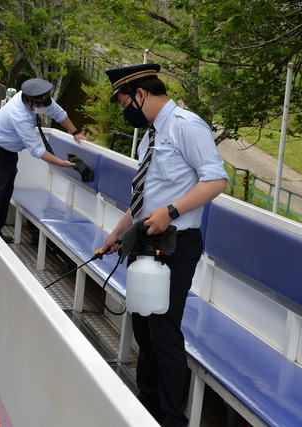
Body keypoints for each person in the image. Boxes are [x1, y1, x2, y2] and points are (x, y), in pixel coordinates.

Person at [100, 64, 228, 427]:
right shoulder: (150, 135)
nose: (125, 110)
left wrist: (172, 212)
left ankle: (172, 419)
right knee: (142, 323)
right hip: (144, 241)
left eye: (125, 101)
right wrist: (117, 232)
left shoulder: (187, 126)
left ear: (140, 94)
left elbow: (216, 180)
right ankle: (147, 406)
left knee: (164, 330)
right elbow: (144, 198)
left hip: (176, 244)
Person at [0, 77, 87, 243]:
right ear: (27, 101)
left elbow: (59, 114)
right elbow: (36, 149)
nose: (42, 108)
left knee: (6, 191)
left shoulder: (40, 98)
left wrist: (75, 132)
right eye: (38, 106)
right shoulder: (18, 113)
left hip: (9, 152)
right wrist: (61, 163)